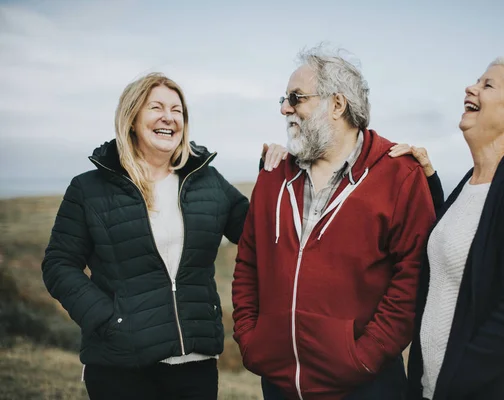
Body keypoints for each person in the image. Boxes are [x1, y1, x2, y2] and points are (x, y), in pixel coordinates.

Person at [41, 72, 287, 400]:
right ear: (131, 118)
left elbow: (259, 235)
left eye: (177, 110)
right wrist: (106, 318)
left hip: (194, 363)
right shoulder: (89, 189)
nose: (169, 118)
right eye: (156, 107)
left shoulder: (207, 180)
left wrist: (274, 175)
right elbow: (59, 264)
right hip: (119, 365)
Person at [231, 45, 437, 400]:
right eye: (284, 99)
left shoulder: (399, 174)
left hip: (364, 386)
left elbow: (412, 279)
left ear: (337, 105)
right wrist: (251, 340)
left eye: (296, 98)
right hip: (279, 384)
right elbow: (248, 261)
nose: (284, 108)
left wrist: (363, 358)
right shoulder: (273, 172)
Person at [389, 54, 504, 400]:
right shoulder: (470, 182)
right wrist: (427, 178)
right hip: (428, 389)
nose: (471, 87)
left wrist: (455, 384)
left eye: (487, 84)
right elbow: (459, 241)